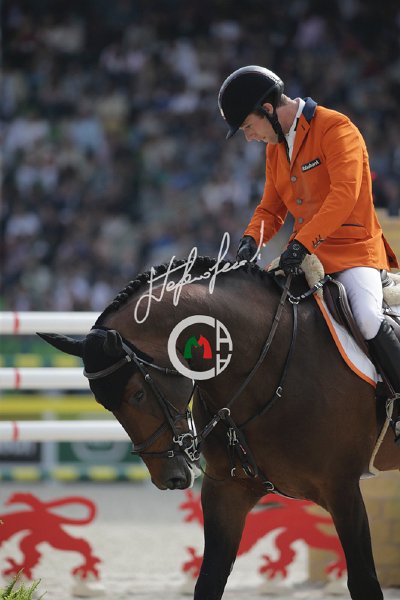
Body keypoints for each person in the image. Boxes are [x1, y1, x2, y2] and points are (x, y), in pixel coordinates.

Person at [218, 65, 400, 399]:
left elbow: (344, 195)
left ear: (268, 109)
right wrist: (251, 240)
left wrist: (302, 243)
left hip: (353, 251)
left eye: (248, 126)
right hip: (306, 255)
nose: (249, 137)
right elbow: (271, 208)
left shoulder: (335, 127)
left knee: (367, 318)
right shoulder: (275, 148)